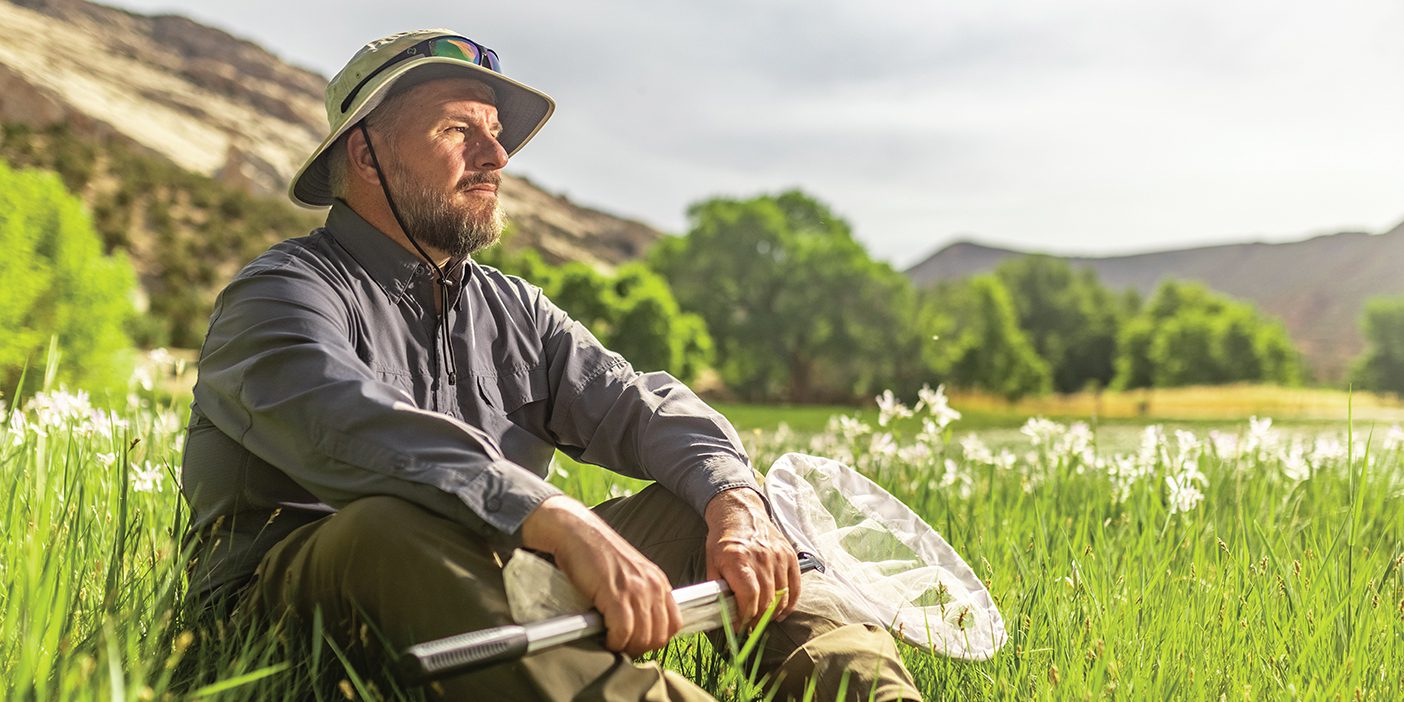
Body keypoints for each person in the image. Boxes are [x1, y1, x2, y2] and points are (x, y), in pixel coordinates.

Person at [181, 28, 920, 700]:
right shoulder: (278, 293)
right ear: (366, 154)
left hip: (499, 582)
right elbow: (342, 422)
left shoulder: (514, 310)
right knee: (384, 528)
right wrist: (551, 514)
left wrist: (735, 499)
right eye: (458, 130)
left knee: (705, 503)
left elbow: (639, 405)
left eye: (496, 135)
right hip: (298, 617)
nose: (497, 158)